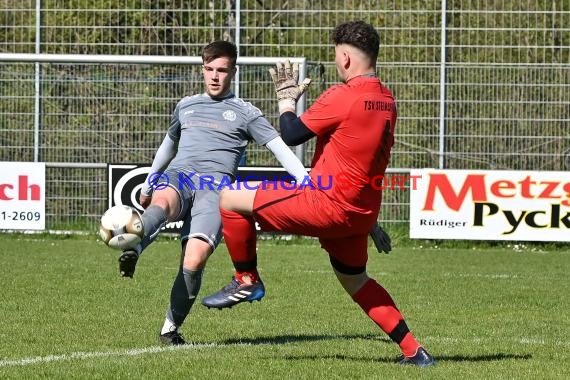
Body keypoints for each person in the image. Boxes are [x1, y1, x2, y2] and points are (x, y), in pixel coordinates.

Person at [201, 21, 435, 367]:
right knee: (355, 280)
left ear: (344, 58)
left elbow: (292, 134)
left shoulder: (343, 95)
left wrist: (286, 100)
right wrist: (370, 224)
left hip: (326, 203)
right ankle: (414, 351)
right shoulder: (386, 99)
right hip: (360, 213)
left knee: (231, 198)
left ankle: (246, 279)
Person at [112, 40, 309, 345]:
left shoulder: (246, 113)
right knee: (162, 203)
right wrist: (152, 180)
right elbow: (169, 144)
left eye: (222, 70)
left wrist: (306, 183)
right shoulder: (186, 105)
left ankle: (169, 329)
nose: (215, 76)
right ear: (202, 69)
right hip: (180, 175)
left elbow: (280, 150)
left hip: (215, 190)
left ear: (233, 72)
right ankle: (134, 249)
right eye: (210, 70)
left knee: (195, 258)